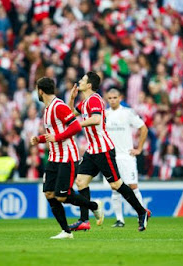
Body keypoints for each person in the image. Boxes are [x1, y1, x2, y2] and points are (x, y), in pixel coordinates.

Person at [68, 71, 149, 231]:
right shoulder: (84, 103)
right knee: (80, 182)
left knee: (116, 184)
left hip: (104, 149)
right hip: (92, 150)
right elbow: (71, 115)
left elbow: (97, 119)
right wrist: (71, 99)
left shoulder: (95, 99)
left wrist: (78, 125)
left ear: (89, 85)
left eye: (83, 79)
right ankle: (84, 220)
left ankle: (142, 212)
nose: (80, 81)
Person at [30, 77, 104, 239]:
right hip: (54, 158)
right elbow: (54, 134)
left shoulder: (59, 106)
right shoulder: (47, 109)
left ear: (40, 91)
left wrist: (56, 138)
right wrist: (40, 139)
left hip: (67, 157)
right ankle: (66, 231)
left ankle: (93, 205)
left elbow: (76, 126)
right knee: (49, 194)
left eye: (37, 90)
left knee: (62, 196)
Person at [105, 88, 149, 227]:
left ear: (120, 98)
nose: (112, 100)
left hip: (126, 156)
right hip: (112, 157)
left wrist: (139, 149)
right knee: (114, 188)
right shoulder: (104, 114)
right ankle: (120, 220)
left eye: (115, 97)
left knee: (133, 186)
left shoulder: (127, 113)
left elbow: (143, 128)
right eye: (110, 98)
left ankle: (142, 215)